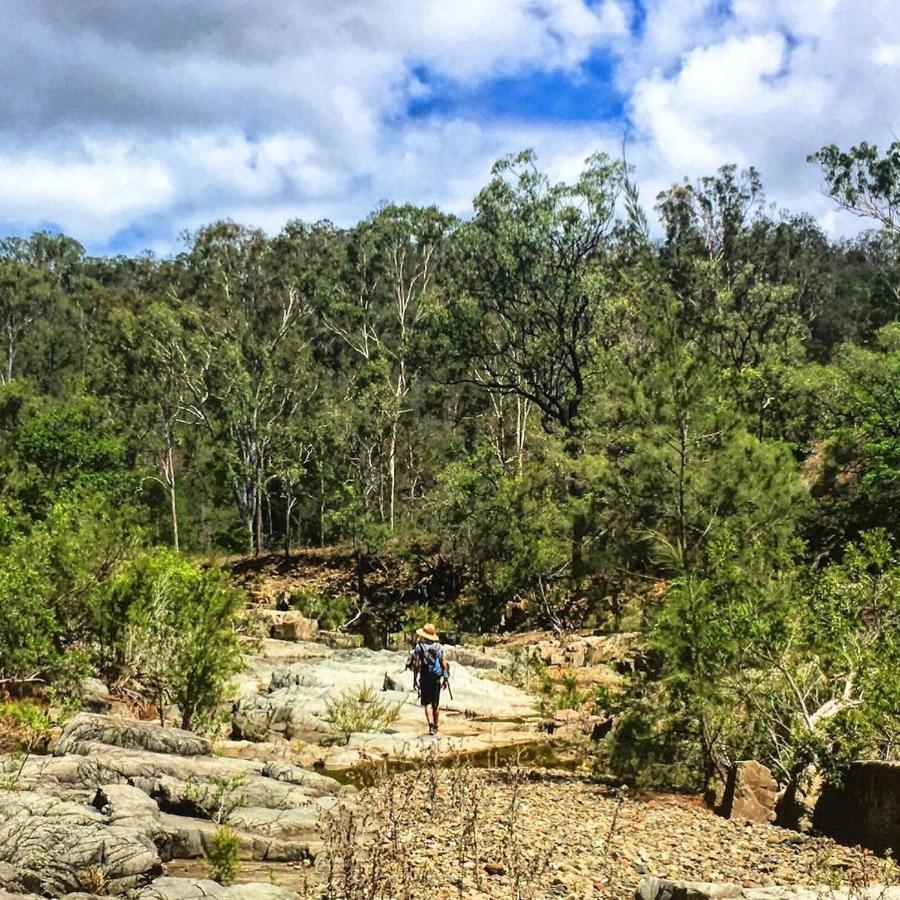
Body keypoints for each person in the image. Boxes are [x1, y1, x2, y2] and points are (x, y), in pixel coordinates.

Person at [410, 623, 450, 735]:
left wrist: (414, 679)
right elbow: (444, 663)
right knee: (436, 703)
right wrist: (445, 678)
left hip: (425, 677)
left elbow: (416, 664)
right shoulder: (439, 647)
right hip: (436, 677)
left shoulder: (419, 647)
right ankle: (436, 726)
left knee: (427, 703)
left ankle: (431, 726)